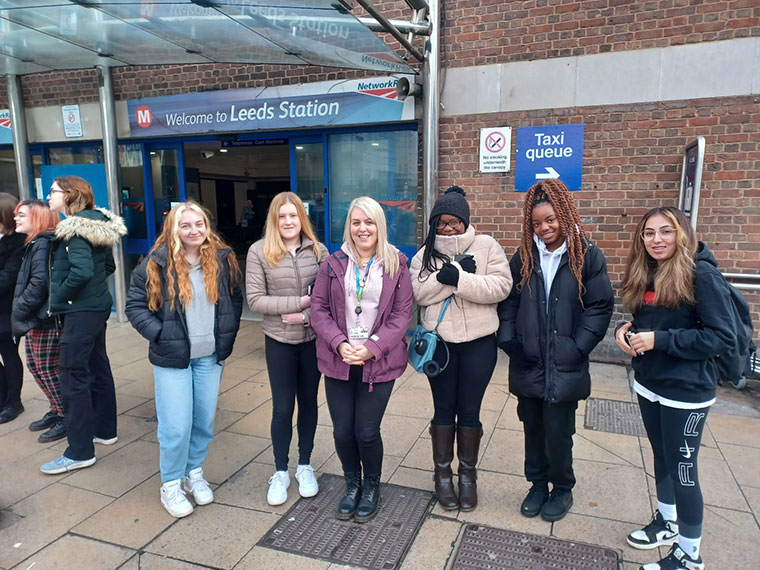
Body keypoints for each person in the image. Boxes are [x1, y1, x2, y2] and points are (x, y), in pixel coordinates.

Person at [616, 206, 735, 570]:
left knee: (683, 469)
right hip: (650, 383)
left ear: (682, 234)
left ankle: (689, 555)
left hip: (686, 390)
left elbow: (721, 337)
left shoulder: (702, 276)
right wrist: (627, 331)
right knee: (662, 457)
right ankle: (667, 522)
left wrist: (660, 341)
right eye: (649, 233)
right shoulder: (648, 271)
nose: (656, 240)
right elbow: (650, 320)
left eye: (665, 232)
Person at [497, 179, 614, 522]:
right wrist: (509, 340)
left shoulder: (586, 255)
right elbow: (510, 300)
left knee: (559, 433)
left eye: (550, 220)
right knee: (532, 428)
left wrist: (579, 347)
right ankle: (537, 485)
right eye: (537, 223)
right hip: (529, 361)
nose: (544, 228)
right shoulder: (524, 255)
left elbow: (600, 305)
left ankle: (562, 488)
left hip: (565, 364)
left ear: (564, 215)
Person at [126, 201, 243, 518]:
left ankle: (194, 475)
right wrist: (160, 334)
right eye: (186, 225)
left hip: (210, 358)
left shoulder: (222, 259)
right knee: (176, 427)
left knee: (203, 422)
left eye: (199, 224)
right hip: (172, 358)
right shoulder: (155, 263)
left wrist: (227, 338)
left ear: (207, 226)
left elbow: (234, 298)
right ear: (173, 229)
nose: (194, 230)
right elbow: (135, 307)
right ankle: (171, 484)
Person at [409, 186, 512, 511]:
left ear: (466, 221)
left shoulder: (487, 246)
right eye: (442, 222)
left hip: (479, 345)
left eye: (454, 221)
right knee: (443, 409)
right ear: (434, 224)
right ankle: (442, 476)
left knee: (469, 410)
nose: (448, 228)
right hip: (440, 347)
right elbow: (419, 294)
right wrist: (448, 276)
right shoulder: (424, 253)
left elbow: (501, 287)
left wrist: (463, 280)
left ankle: (467, 476)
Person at [311, 196, 413, 523]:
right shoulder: (332, 264)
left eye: (369, 222)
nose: (362, 228)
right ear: (349, 227)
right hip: (338, 358)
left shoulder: (397, 263)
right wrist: (340, 343)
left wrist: (373, 346)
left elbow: (401, 314)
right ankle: (351, 483)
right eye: (356, 222)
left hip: (378, 362)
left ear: (379, 225)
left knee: (366, 431)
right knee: (343, 432)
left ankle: (371, 486)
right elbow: (319, 309)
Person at [39, 176, 126, 474]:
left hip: (81, 311)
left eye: (52, 191)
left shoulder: (74, 229)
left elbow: (82, 271)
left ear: (70, 195)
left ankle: (79, 452)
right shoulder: (96, 224)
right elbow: (108, 267)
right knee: (98, 366)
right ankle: (105, 430)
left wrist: (58, 298)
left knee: (72, 375)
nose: (47, 196)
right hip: (98, 307)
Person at [246, 192, 328, 506]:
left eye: (293, 216)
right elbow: (255, 300)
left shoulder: (318, 252)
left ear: (301, 219)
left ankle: (304, 465)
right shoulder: (259, 251)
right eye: (282, 216)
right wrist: (299, 303)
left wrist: (305, 315)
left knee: (308, 403)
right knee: (282, 408)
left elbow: (326, 299)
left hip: (310, 341)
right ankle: (280, 471)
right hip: (278, 341)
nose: (288, 221)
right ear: (274, 220)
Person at [11, 199, 66, 442]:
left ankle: (66, 415)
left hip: (44, 319)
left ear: (39, 218)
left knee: (47, 368)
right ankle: (57, 409)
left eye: (22, 215)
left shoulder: (43, 243)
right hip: (35, 317)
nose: (16, 219)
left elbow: (39, 284)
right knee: (36, 367)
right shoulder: (35, 242)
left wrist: (19, 309)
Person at [0, 193, 26, 424]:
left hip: (6, 310)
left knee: (9, 354)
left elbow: (7, 279)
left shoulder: (18, 243)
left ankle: (13, 402)